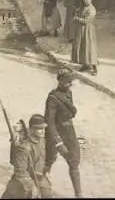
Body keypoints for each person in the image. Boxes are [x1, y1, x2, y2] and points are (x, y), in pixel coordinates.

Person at [44, 68, 82, 198]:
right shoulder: (52, 98)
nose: (70, 84)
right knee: (49, 159)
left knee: (74, 160)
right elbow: (49, 121)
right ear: (60, 82)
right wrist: (58, 141)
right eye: (67, 82)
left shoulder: (68, 93)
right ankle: (41, 180)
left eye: (71, 81)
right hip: (55, 132)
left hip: (69, 130)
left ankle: (79, 194)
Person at [1, 114, 53, 198]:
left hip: (38, 177)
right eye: (39, 129)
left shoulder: (42, 141)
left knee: (47, 194)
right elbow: (21, 172)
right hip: (22, 181)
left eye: (43, 128)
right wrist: (32, 186)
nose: (43, 131)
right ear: (32, 129)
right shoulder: (24, 147)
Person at [71, 0, 98, 76]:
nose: (85, 1)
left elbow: (87, 21)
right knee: (82, 46)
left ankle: (94, 67)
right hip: (81, 29)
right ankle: (85, 64)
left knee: (90, 47)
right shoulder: (84, 7)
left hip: (88, 30)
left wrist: (77, 18)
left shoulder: (92, 9)